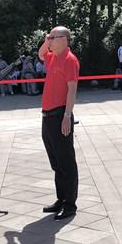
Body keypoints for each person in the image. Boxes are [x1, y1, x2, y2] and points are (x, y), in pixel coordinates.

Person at [38, 26, 80, 220]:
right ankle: (61, 199)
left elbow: (72, 90)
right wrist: (47, 40)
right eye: (49, 37)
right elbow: (41, 54)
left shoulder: (70, 60)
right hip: (47, 116)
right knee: (56, 162)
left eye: (53, 37)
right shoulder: (53, 57)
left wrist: (67, 116)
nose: (49, 40)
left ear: (64, 39)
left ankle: (70, 204)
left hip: (59, 115)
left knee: (66, 162)